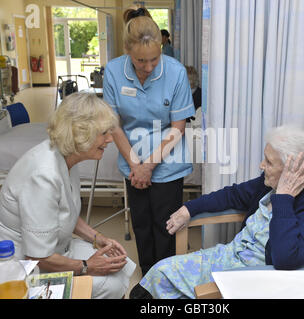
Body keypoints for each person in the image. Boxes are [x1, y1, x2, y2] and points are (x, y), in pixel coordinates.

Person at [130, 125, 304, 299]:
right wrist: (189, 208)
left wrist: (284, 197)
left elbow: (287, 258)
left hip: (256, 278)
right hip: (229, 256)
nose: (261, 165)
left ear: (291, 169)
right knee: (156, 276)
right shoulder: (270, 183)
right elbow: (233, 194)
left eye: (268, 162)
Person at [0, 92, 135, 299]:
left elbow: (65, 210)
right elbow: (38, 256)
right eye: (104, 133)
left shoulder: (67, 156)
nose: (110, 139)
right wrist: (87, 266)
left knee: (120, 264)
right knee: (110, 284)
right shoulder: (43, 176)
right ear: (80, 133)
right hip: (18, 268)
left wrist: (99, 239)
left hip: (52, 249)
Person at [103, 7, 195, 276]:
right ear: (127, 50)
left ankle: (165, 281)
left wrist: (149, 166)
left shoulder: (175, 72)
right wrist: (136, 165)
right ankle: (148, 276)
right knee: (141, 223)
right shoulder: (113, 71)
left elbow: (178, 126)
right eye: (141, 61)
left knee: (165, 225)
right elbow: (113, 123)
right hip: (132, 160)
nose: (149, 67)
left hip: (167, 162)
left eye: (154, 59)